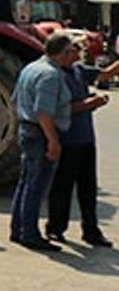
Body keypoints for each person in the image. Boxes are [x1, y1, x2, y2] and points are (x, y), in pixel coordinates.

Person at [45, 39, 119, 247]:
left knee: (88, 189)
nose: (78, 53)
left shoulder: (79, 71)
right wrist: (89, 104)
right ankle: (55, 228)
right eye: (73, 50)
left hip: (85, 139)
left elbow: (104, 75)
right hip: (67, 139)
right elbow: (58, 109)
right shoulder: (55, 76)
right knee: (62, 187)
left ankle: (91, 230)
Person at [10, 31, 77, 252]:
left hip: (28, 130)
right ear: (64, 53)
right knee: (36, 185)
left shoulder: (31, 68)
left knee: (26, 182)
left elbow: (15, 100)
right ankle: (29, 233)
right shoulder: (51, 75)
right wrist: (53, 141)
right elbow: (44, 112)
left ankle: (18, 228)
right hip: (40, 133)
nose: (74, 55)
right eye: (72, 51)